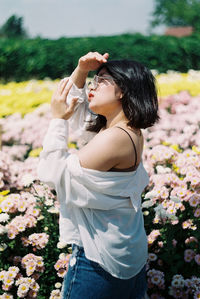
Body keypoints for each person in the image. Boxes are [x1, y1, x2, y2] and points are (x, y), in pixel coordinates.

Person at [37, 51, 159, 299]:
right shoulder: (123, 129)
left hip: (98, 260)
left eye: (101, 81)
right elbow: (82, 114)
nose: (92, 86)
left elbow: (53, 174)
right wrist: (82, 70)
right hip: (123, 250)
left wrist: (57, 120)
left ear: (123, 89)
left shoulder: (114, 138)